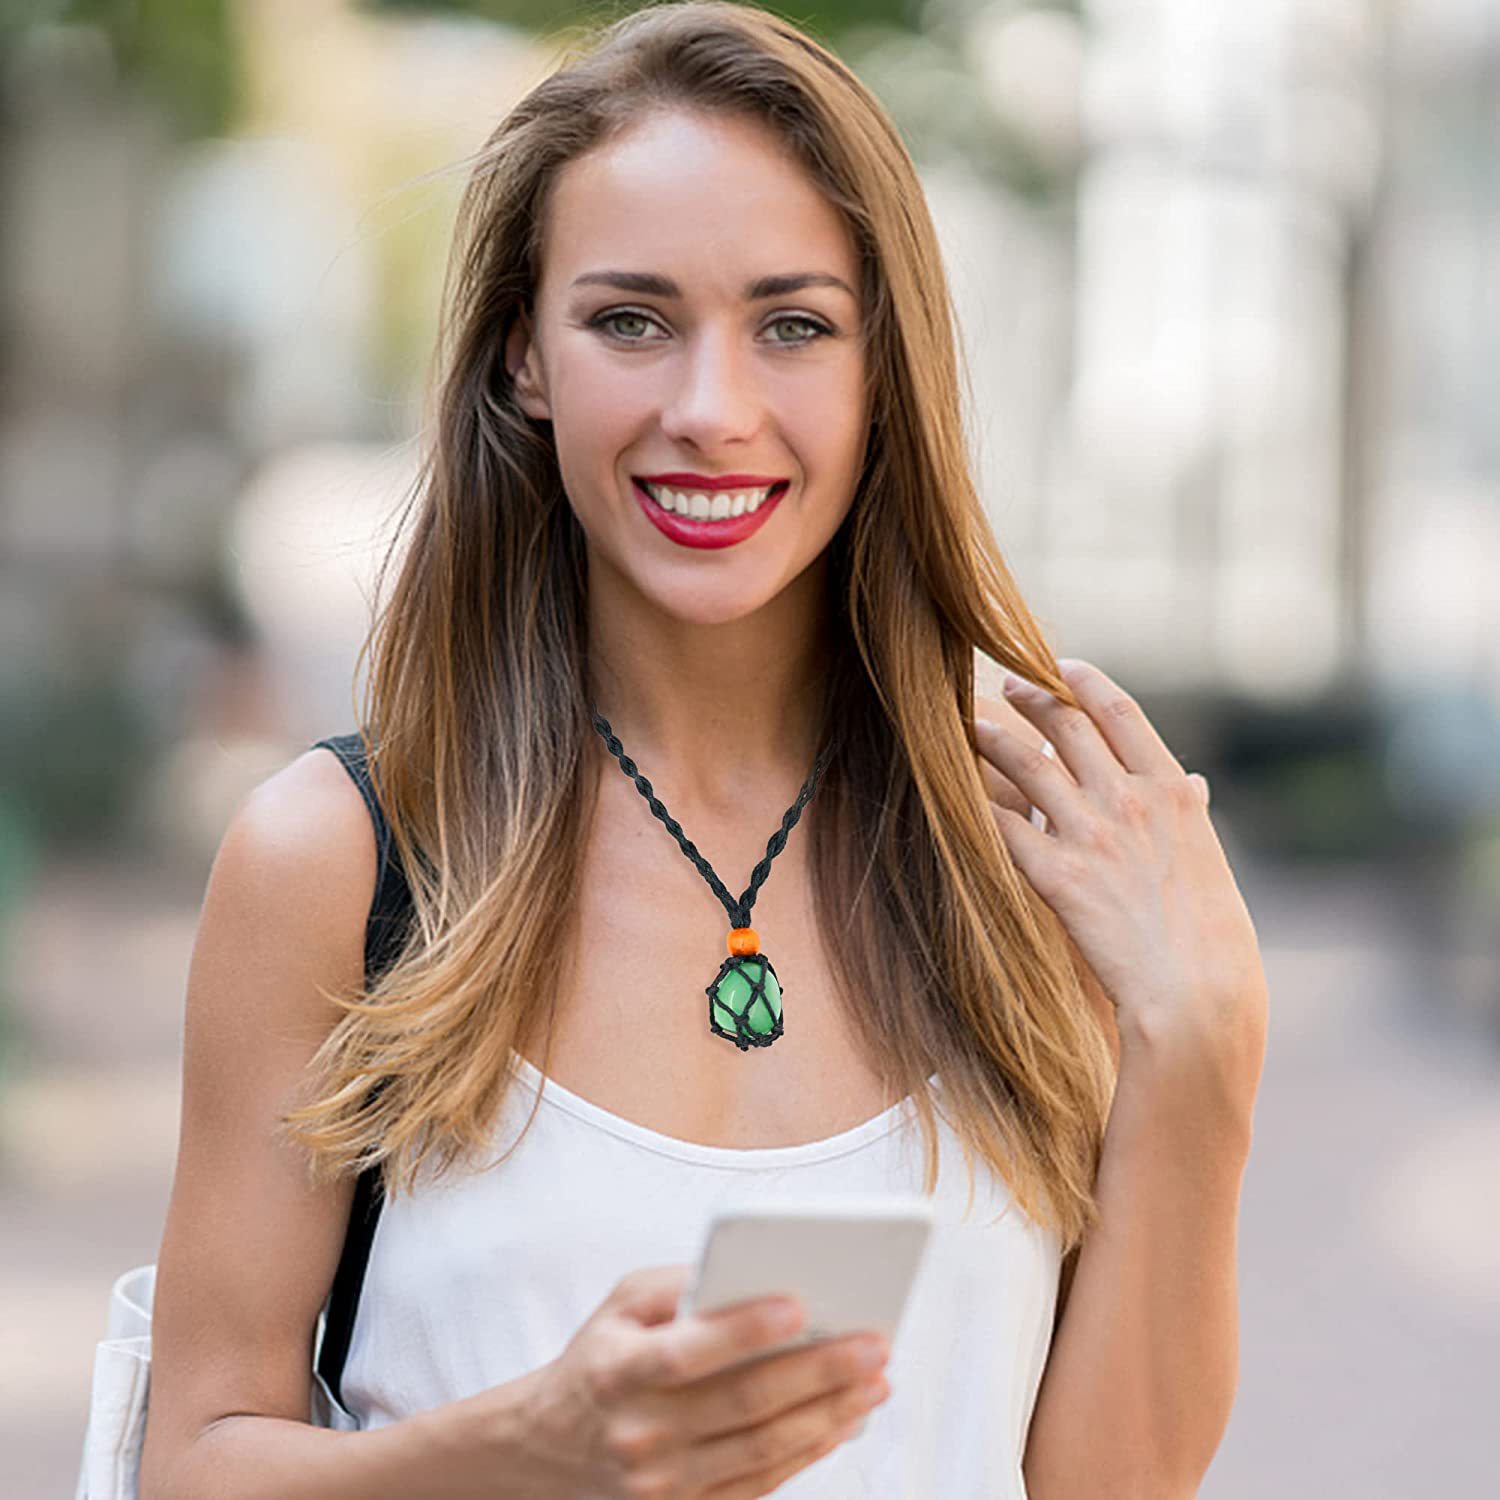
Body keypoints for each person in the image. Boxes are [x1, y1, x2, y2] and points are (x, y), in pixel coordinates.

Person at [138, 3, 1268, 1497]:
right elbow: (193, 1463)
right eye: (630, 321)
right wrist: (523, 1452)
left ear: (885, 375)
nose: (710, 411)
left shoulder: (1038, 856)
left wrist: (1204, 1052)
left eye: (793, 325)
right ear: (523, 362)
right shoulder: (343, 859)